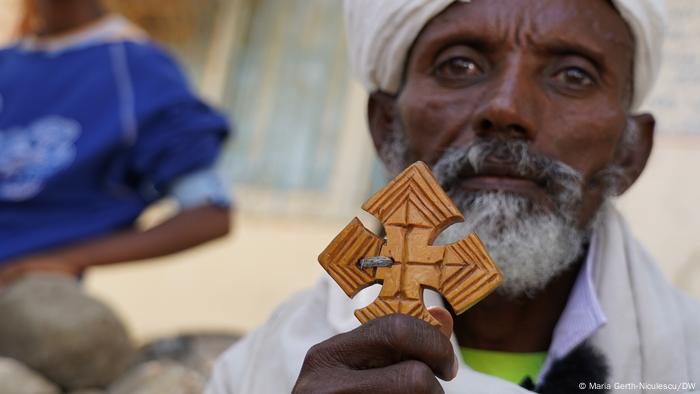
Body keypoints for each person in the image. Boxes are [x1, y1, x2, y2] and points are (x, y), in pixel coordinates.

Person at [208, 0, 700, 393]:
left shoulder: (685, 359)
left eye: (573, 75)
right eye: (459, 65)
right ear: (384, 129)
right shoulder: (258, 370)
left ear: (632, 151)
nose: (506, 108)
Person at [0, 0, 232, 285]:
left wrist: (67, 259)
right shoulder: (9, 61)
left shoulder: (137, 70)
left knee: (53, 318)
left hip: (20, 288)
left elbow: (209, 215)